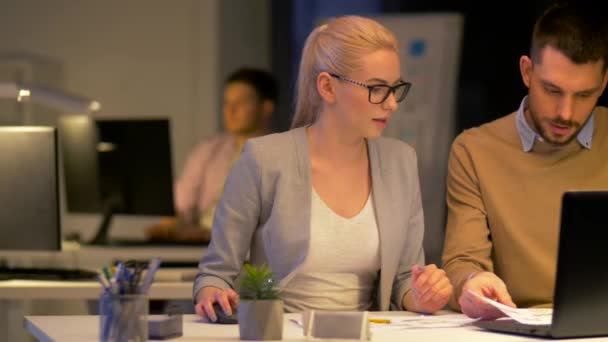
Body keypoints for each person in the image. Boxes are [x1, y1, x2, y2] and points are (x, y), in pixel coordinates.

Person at [193, 15, 453, 322]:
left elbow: (404, 278)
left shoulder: (401, 161)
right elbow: (215, 274)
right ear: (328, 87)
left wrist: (422, 295)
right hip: (279, 332)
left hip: (370, 333)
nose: (392, 103)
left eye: (396, 88)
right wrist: (213, 293)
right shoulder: (263, 158)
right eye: (378, 88)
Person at [442, 1, 608, 320]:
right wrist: (474, 282)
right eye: (552, 90)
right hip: (519, 325)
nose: (566, 112)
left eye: (584, 95)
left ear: (602, 85)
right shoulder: (475, 150)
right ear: (527, 71)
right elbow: (462, 263)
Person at [146, 67, 278, 242]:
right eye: (227, 103)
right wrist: (172, 224)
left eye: (241, 103)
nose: (230, 110)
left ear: (266, 108)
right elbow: (182, 205)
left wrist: (210, 235)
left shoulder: (283, 156)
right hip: (198, 247)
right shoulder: (209, 149)